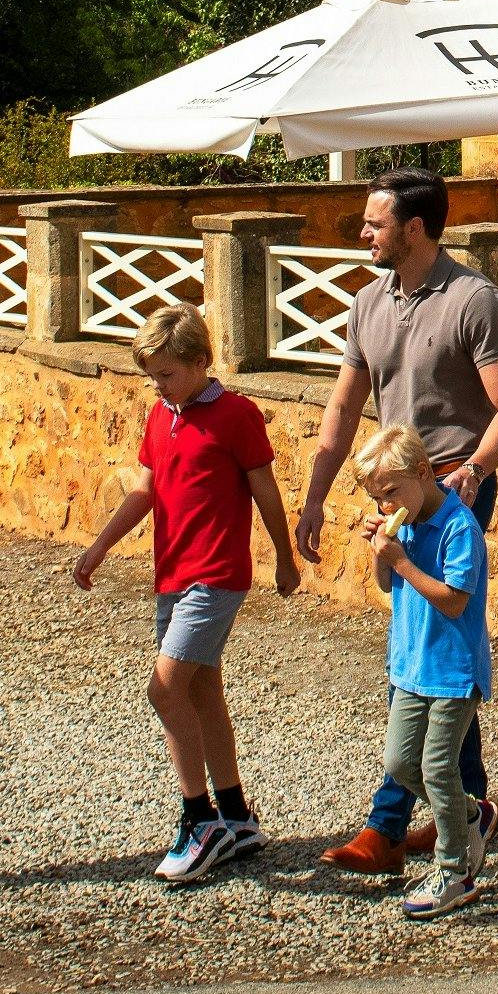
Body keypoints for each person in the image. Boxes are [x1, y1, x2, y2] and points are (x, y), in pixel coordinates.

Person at [292, 167, 498, 875]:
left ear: (416, 227)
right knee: (427, 651)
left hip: (453, 496)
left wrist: (473, 472)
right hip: (393, 495)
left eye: (374, 222)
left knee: (428, 647)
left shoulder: (474, 301)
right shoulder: (367, 302)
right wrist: (314, 494)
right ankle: (468, 803)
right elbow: (342, 406)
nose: (362, 232)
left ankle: (388, 821)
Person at [69, 305, 300, 884]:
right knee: (201, 691)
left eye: (168, 374)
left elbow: (264, 489)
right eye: (152, 376)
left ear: (200, 362)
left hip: (216, 574)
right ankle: (235, 812)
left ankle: (198, 819)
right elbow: (145, 490)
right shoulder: (160, 415)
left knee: (164, 689)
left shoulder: (235, 414)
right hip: (172, 573)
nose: (159, 386)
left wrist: (284, 558)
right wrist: (99, 547)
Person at [352, 420, 492, 919]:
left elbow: (454, 601)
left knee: (437, 767)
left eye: (391, 492)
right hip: (410, 666)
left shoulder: (459, 527)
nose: (385, 506)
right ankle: (471, 816)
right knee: (400, 765)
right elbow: (389, 586)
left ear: (423, 472)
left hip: (453, 671)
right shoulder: (402, 523)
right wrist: (381, 555)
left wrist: (404, 560)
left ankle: (454, 871)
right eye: (377, 498)